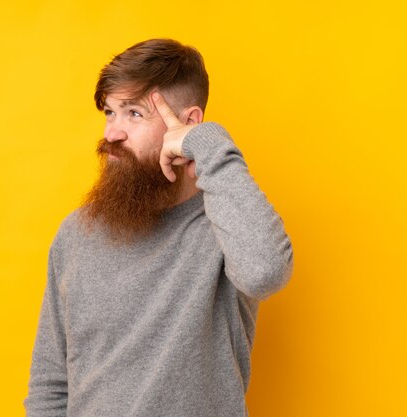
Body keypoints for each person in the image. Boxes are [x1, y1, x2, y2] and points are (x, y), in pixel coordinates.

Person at [23, 38, 294, 417]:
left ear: (188, 123)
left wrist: (207, 144)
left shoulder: (224, 225)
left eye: (134, 114)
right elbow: (50, 384)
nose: (113, 132)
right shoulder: (76, 233)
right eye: (110, 112)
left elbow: (266, 271)